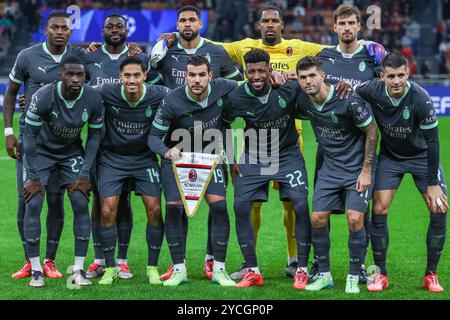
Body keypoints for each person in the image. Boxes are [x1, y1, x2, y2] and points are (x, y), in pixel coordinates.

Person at [148, 5, 243, 282]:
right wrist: (167, 151)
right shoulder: (171, 100)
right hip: (178, 157)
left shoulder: (225, 86)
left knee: (220, 206)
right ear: (185, 76)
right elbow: (153, 137)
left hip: (211, 155)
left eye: (202, 75)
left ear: (211, 75)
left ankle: (219, 269)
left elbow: (250, 89)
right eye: (192, 75)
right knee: (174, 208)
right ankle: (179, 269)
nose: (197, 80)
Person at [355, 54, 448, 293]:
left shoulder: (421, 99)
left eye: (401, 75)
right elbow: (349, 89)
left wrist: (432, 183)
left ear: (408, 74)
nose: (396, 81)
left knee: (439, 207)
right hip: (391, 157)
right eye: (391, 76)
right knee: (379, 208)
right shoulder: (371, 89)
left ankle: (431, 274)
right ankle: (380, 273)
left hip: (422, 157)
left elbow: (434, 143)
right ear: (382, 76)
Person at [4, 11, 85, 280]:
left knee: (55, 199)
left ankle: (49, 260)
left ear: (71, 32)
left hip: (65, 144)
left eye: (65, 27)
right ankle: (31, 261)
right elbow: (12, 93)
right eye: (55, 27)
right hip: (32, 140)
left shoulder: (79, 58)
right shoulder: (27, 56)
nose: (60, 31)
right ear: (45, 30)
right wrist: (9, 131)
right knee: (26, 200)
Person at [222, 49, 311, 289]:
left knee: (301, 205)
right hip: (255, 155)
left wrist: (292, 77)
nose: (257, 75)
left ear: (270, 70)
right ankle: (251, 269)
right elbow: (224, 124)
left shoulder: (288, 89)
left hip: (288, 154)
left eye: (262, 70)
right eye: (251, 71)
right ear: (244, 72)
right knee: (240, 206)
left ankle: (301, 267)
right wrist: (232, 158)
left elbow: (316, 86)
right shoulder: (237, 96)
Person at [312, 3, 383, 283]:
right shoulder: (324, 57)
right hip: (328, 145)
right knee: (321, 209)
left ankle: (361, 265)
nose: (347, 28)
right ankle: (319, 264)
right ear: (335, 28)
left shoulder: (373, 56)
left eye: (351, 23)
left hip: (361, 144)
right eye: (342, 24)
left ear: (358, 27)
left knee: (358, 211)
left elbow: (390, 82)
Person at [295, 56, 378, 293]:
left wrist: (366, 170)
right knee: (317, 218)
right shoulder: (304, 101)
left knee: (354, 219)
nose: (308, 81)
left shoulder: (349, 100)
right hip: (330, 170)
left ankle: (354, 275)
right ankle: (324, 275)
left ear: (323, 76)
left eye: (312, 75)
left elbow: (372, 132)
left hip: (356, 169)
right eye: (303, 77)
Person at [22, 56, 104, 287]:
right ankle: (36, 269)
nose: (76, 79)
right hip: (42, 152)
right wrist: (35, 177)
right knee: (34, 202)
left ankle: (78, 270)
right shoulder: (44, 96)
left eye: (80, 75)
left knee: (80, 201)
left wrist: (84, 174)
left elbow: (95, 137)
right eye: (71, 74)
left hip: (71, 153)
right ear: (61, 75)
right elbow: (28, 136)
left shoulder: (93, 98)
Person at [83, 13, 151, 280]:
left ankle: (121, 260)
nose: (114, 30)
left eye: (119, 26)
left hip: (128, 145)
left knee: (122, 201)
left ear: (127, 30)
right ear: (101, 31)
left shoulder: (138, 59)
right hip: (99, 143)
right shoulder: (90, 57)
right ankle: (99, 258)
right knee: (99, 202)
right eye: (110, 26)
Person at [95, 57, 169, 285]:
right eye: (127, 75)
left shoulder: (160, 94)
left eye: (136, 75)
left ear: (145, 76)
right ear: (120, 77)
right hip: (112, 159)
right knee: (107, 211)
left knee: (155, 210)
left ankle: (152, 268)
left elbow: (185, 98)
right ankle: (110, 268)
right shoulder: (106, 92)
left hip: (144, 159)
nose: (132, 80)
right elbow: (79, 93)